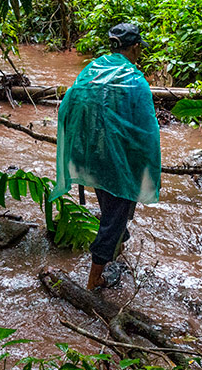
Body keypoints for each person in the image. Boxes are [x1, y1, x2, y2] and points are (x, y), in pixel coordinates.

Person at [50, 23, 161, 290]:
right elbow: (148, 130)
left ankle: (117, 252)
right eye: (139, 50)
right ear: (135, 48)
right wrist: (149, 167)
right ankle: (94, 279)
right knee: (114, 217)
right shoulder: (134, 79)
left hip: (93, 157)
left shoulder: (92, 70)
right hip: (120, 163)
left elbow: (67, 107)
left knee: (112, 211)